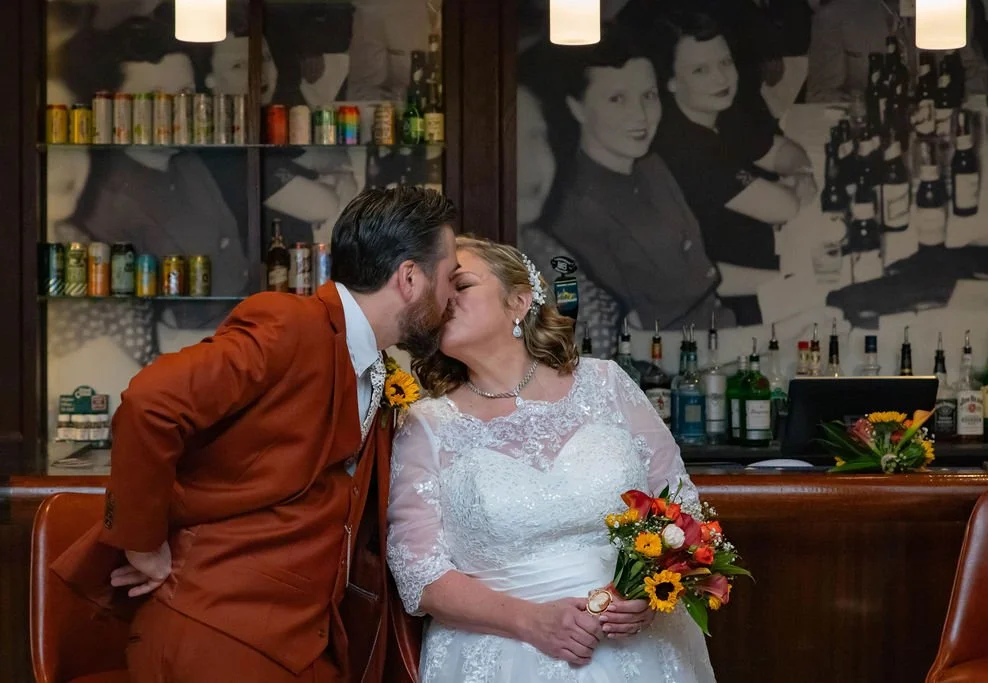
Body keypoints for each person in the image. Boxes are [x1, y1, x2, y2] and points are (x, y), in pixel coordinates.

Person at [51, 186, 460, 683]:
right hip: (219, 635)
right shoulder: (290, 324)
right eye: (449, 279)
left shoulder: (373, 366)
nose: (451, 298)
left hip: (300, 642)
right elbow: (150, 403)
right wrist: (142, 541)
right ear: (411, 278)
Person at [387, 236, 716, 682]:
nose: (443, 298)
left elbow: (682, 510)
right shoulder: (425, 425)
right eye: (436, 290)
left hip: (639, 652)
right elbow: (419, 573)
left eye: (459, 284)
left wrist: (651, 596)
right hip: (501, 655)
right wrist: (531, 621)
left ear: (519, 301)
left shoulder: (607, 384)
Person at [545, 26, 733, 332]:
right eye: (617, 99)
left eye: (648, 96)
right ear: (576, 107)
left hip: (721, 327)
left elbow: (699, 280)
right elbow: (634, 347)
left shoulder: (650, 167)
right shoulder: (574, 210)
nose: (641, 115)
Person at [653, 12, 815, 326]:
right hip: (736, 302)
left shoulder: (721, 113)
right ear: (671, 82)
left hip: (768, 259)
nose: (721, 78)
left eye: (725, 63)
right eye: (701, 70)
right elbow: (785, 207)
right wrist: (793, 187)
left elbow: (784, 150)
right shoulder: (682, 146)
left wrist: (801, 175)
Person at [514, 77, 624, 359]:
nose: (531, 162)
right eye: (514, 141)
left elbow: (591, 319)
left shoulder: (546, 253)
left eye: (537, 137)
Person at [806, 0, 988, 103]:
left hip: (938, 123)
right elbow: (821, 94)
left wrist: (955, 103)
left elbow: (976, 73)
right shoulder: (834, 17)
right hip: (871, 129)